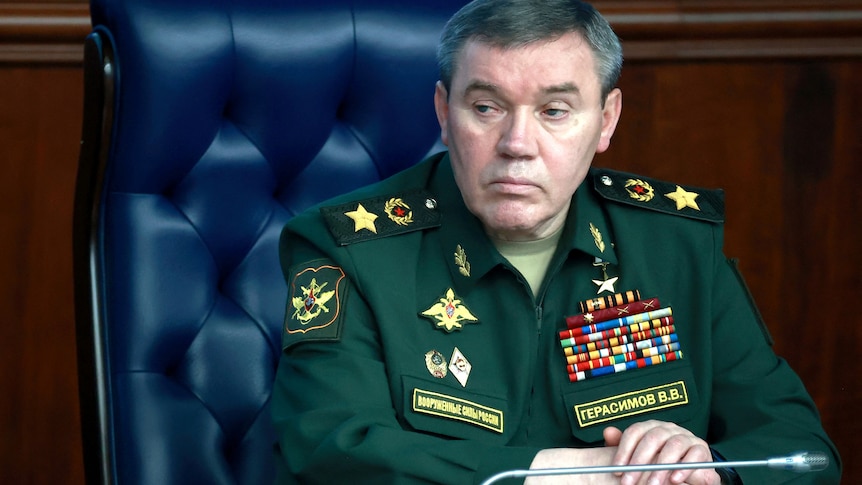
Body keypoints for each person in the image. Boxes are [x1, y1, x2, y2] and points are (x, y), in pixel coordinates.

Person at [271, 0, 841, 483]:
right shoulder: (346, 247)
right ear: (445, 113)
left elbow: (805, 455)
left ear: (606, 120)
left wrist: (705, 467)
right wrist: (566, 472)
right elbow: (330, 449)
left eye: (555, 111)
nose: (518, 143)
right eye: (487, 107)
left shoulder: (676, 243)